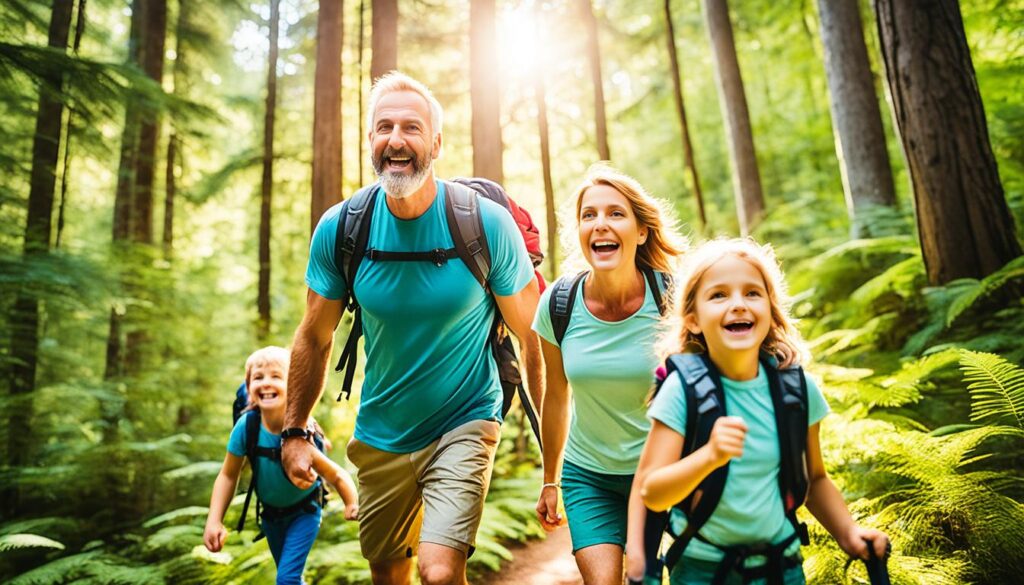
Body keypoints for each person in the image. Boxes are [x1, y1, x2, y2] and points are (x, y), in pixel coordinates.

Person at [281, 72, 541, 585]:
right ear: (370, 141)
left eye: (411, 128)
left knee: (440, 572)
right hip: (382, 430)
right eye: (384, 127)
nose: (396, 139)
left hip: (466, 419)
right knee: (389, 573)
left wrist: (556, 444)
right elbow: (314, 334)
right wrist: (294, 429)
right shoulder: (342, 227)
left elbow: (533, 335)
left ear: (437, 143)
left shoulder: (484, 223)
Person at [636, 238, 889, 584]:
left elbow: (814, 479)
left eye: (752, 293)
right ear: (693, 320)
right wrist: (710, 455)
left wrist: (848, 534)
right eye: (719, 295)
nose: (738, 304)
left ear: (771, 311)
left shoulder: (797, 391)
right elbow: (653, 490)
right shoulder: (682, 392)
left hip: (780, 568)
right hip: (702, 570)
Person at [533, 164, 687, 585]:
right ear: (580, 232)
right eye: (589, 215)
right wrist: (550, 480)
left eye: (616, 213)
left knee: (657, 578)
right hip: (590, 477)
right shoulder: (558, 304)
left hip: (668, 474)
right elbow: (556, 395)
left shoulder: (674, 299)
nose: (601, 223)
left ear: (641, 231)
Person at [203, 346, 358, 585]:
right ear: (249, 388)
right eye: (258, 377)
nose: (266, 383)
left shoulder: (302, 433)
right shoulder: (246, 428)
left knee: (286, 579)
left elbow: (335, 474)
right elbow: (228, 475)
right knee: (290, 580)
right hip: (270, 517)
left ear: (293, 388)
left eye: (276, 376)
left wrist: (351, 503)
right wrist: (214, 520)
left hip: (304, 512)